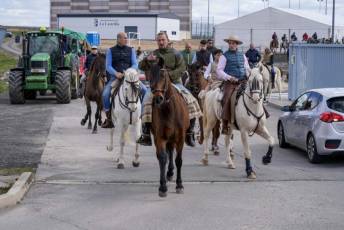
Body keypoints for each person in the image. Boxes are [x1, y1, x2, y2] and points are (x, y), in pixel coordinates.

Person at [137, 32, 202, 147]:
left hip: (175, 83)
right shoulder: (153, 54)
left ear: (167, 40)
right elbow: (141, 66)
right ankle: (146, 134)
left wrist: (168, 76)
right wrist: (147, 59)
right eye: (159, 40)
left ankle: (189, 132)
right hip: (157, 86)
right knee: (146, 101)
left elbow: (182, 68)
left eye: (163, 40)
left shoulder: (176, 54)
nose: (161, 42)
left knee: (192, 101)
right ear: (157, 41)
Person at [101, 32, 147, 128]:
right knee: (105, 94)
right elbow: (108, 66)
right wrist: (116, 73)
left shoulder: (131, 50)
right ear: (118, 39)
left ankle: (143, 115)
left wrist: (129, 72)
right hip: (116, 77)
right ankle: (109, 118)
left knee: (144, 90)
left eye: (126, 38)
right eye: (124, 38)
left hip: (130, 77)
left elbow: (135, 64)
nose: (126, 39)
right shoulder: (110, 50)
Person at [216, 35, 250, 135]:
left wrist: (250, 74)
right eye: (230, 43)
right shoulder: (224, 56)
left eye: (233, 43)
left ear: (237, 44)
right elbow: (219, 71)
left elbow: (247, 67)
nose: (231, 45)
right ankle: (225, 124)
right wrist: (229, 77)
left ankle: (259, 117)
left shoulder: (242, 55)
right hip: (230, 83)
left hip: (243, 81)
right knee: (226, 98)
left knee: (255, 94)